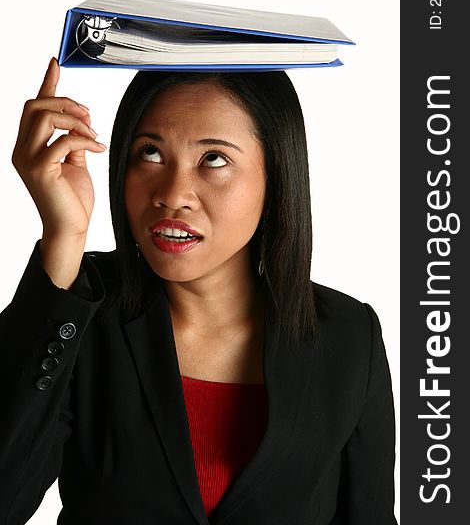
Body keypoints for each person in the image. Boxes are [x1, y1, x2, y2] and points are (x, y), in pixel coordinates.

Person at [0, 57, 397, 524]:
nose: (172, 193)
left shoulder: (351, 337)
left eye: (214, 159)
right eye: (149, 152)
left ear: (277, 175)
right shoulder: (76, 312)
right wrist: (62, 237)